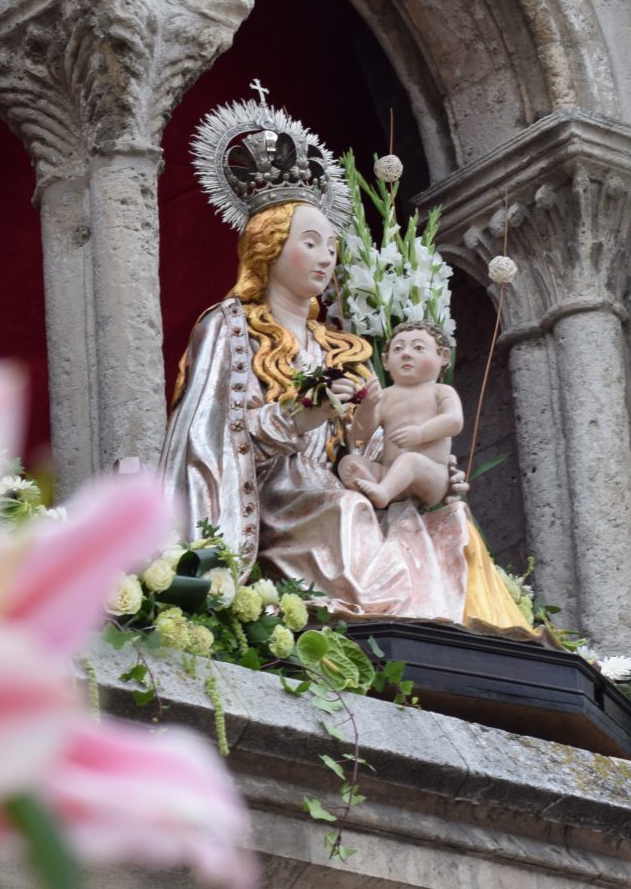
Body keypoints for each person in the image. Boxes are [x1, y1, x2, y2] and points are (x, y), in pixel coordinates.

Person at [159, 93, 529, 629]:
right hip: (273, 496)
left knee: (444, 521)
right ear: (269, 248)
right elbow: (209, 436)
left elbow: (368, 439)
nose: (327, 257)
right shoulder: (229, 326)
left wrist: (418, 464)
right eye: (310, 243)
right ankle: (382, 623)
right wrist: (296, 420)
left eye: (332, 245)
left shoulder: (343, 346)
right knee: (348, 513)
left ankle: (436, 634)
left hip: (338, 485)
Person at [338, 321, 463, 511]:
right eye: (398, 349)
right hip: (389, 473)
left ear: (443, 357)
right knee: (349, 462)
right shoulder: (386, 396)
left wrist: (420, 433)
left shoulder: (440, 391)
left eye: (418, 348)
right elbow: (359, 436)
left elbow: (454, 421)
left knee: (409, 460)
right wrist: (368, 407)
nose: (406, 353)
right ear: (386, 361)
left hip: (431, 474)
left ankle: (384, 493)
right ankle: (376, 488)